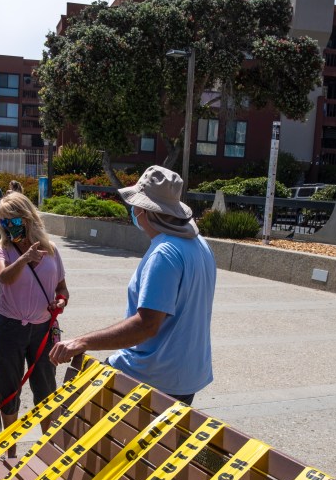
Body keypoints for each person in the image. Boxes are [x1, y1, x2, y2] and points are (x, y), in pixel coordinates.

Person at [49, 165, 216, 405]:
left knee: (78, 418)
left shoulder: (165, 253)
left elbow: (145, 326)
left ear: (145, 211)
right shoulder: (199, 245)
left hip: (152, 375)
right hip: (186, 375)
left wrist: (82, 341)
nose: (133, 210)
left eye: (135, 205)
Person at [0, 193, 68, 454]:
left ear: (28, 218)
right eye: (3, 221)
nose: (8, 225)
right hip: (9, 328)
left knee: (45, 387)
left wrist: (61, 302)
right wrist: (24, 259)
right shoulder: (0, 249)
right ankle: (9, 450)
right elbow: (4, 277)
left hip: (43, 330)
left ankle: (48, 448)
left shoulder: (52, 250)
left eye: (13, 220)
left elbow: (62, 288)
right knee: (9, 388)